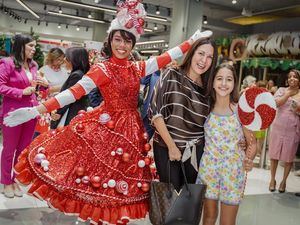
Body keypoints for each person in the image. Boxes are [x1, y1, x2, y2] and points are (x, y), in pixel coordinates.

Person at [3, 1, 212, 223]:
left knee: (120, 191)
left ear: (133, 44)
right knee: (99, 184)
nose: (122, 45)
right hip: (106, 131)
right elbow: (73, 93)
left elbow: (165, 58)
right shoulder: (102, 69)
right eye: (118, 39)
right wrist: (37, 109)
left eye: (127, 41)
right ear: (110, 40)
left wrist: (191, 42)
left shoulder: (136, 67)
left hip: (131, 132)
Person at [149, 38, 218, 191]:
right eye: (201, 54)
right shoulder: (171, 74)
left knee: (188, 201)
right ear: (192, 53)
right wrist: (172, 147)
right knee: (169, 200)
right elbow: (155, 112)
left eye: (209, 57)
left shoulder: (209, 89)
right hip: (166, 147)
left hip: (195, 152)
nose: (204, 60)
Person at [196, 63, 256, 225]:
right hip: (209, 171)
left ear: (234, 83)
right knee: (208, 217)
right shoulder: (204, 109)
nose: (223, 83)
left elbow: (252, 143)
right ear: (213, 82)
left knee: (227, 222)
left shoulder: (241, 112)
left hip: (233, 172)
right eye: (219, 79)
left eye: (228, 79)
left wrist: (249, 159)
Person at [0, 34, 38, 198]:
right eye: (31, 46)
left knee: (22, 150)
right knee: (9, 149)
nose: (34, 49)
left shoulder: (34, 65)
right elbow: (1, 86)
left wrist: (41, 87)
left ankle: (15, 179)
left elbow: (33, 87)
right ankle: (6, 181)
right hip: (13, 113)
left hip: (31, 112)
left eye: (35, 46)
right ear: (21, 46)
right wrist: (20, 92)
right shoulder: (7, 63)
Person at [268, 69, 300, 193]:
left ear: (299, 80)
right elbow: (275, 103)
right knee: (274, 155)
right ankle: (272, 179)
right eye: (290, 76)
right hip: (278, 127)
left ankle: (284, 181)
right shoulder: (281, 90)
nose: (292, 78)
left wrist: (297, 109)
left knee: (288, 157)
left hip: (293, 129)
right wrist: (287, 95)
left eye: (295, 77)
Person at [50, 47, 90, 129]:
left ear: (73, 60)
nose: (64, 59)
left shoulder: (77, 75)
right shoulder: (79, 74)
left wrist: (58, 112)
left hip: (70, 114)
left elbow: (68, 97)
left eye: (67, 58)